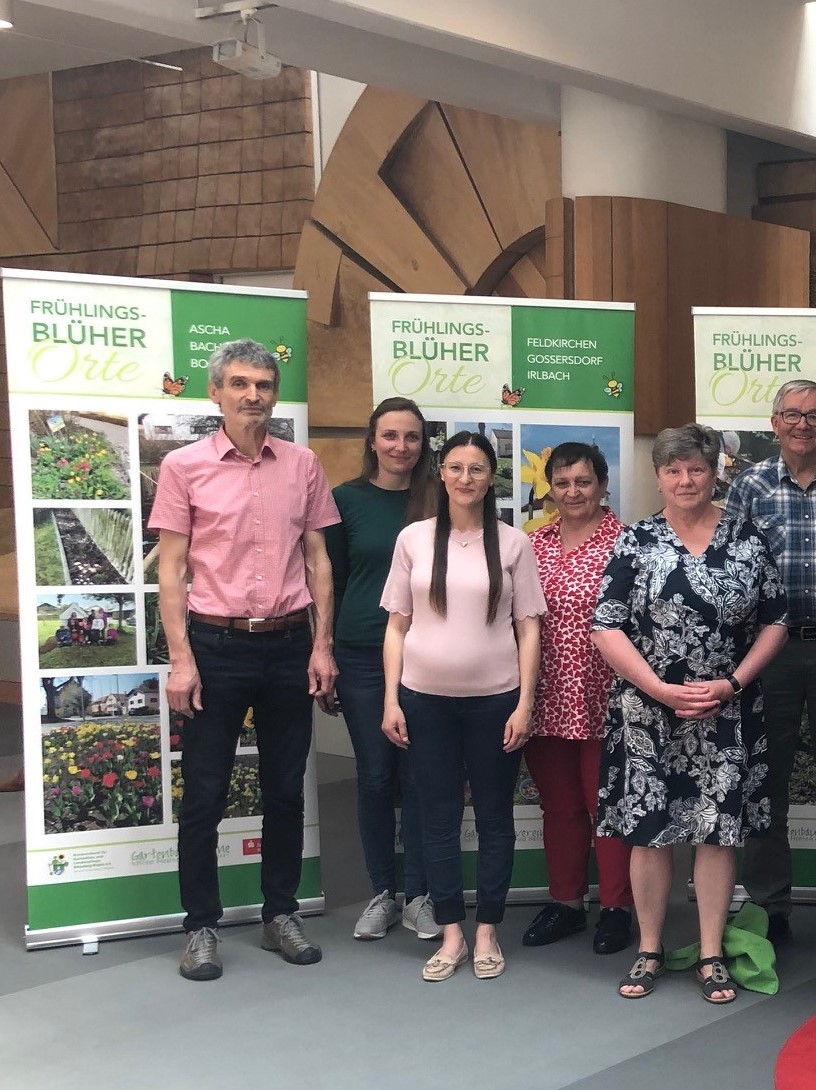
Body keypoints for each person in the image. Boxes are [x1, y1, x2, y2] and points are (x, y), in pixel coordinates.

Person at [151, 338, 340, 982]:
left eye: (262, 383)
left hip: (289, 644)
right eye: (239, 383)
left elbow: (317, 558)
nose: (252, 394)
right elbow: (172, 570)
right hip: (216, 646)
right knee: (204, 794)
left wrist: (321, 645)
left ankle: (278, 914)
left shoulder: (303, 464)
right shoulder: (184, 467)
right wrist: (182, 660)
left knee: (285, 790)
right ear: (216, 393)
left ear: (274, 392)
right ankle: (201, 925)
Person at [594, 425, 788, 1005]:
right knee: (649, 832)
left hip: (725, 710)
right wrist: (657, 687)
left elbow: (776, 620)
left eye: (697, 469)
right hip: (649, 712)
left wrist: (732, 683)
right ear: (657, 477)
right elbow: (607, 624)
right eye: (673, 470)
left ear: (713, 474)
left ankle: (710, 952)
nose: (685, 480)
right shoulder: (636, 542)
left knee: (716, 833)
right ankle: (649, 948)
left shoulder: (747, 538)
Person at [381, 431, 546, 982]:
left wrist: (525, 703)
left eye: (477, 469)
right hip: (424, 701)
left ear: (490, 477)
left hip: (495, 702)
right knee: (438, 819)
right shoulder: (414, 539)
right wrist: (391, 698)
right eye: (456, 468)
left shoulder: (514, 543)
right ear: (441, 473)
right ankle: (451, 930)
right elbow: (397, 625)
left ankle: (486, 931)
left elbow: (528, 628)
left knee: (496, 819)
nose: (466, 478)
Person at [724, 379, 816, 954]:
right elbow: (729, 565)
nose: (802, 424)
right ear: (774, 423)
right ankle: (769, 904)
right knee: (766, 782)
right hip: (768, 651)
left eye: (813, 415)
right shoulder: (748, 486)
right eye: (790, 414)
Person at [328, 396, 438, 942]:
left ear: (424, 444)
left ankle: (419, 894)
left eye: (412, 437)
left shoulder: (439, 500)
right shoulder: (344, 500)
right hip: (361, 655)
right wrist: (321, 650)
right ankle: (381, 893)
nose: (400, 447)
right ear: (372, 440)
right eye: (390, 435)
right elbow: (331, 583)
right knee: (375, 776)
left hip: (427, 656)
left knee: (419, 777)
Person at [518, 441, 635, 955]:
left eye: (582, 482)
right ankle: (565, 902)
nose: (572, 492)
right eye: (561, 483)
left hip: (608, 697)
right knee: (561, 807)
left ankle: (617, 907)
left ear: (603, 486)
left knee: (607, 806)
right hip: (543, 696)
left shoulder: (628, 545)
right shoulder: (533, 546)